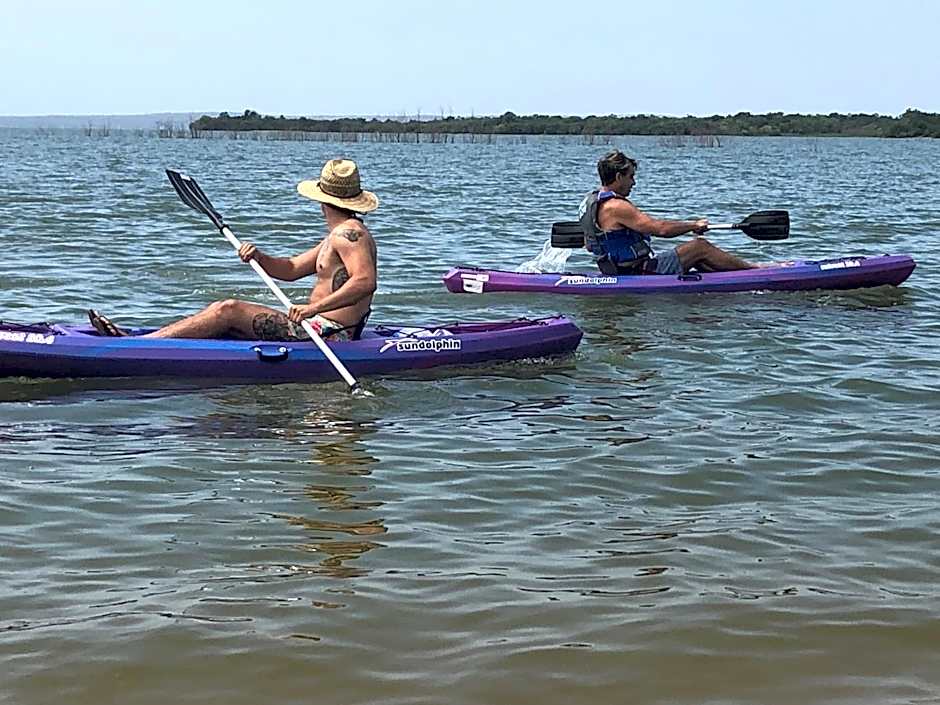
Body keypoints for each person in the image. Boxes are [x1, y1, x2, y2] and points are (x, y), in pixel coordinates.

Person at [88, 159, 378, 342]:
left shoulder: (349, 234)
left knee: (228, 310)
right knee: (223, 322)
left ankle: (139, 346)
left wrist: (311, 309)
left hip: (330, 334)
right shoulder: (338, 235)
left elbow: (365, 282)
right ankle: (151, 340)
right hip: (319, 325)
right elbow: (291, 269)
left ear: (322, 200)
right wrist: (259, 257)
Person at [578, 150, 757, 275]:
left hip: (614, 270)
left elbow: (589, 245)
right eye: (631, 176)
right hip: (638, 271)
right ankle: (755, 272)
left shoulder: (589, 203)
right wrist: (693, 225)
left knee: (699, 259)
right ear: (619, 177)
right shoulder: (616, 206)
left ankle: (729, 279)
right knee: (699, 246)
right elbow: (661, 229)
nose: (633, 183)